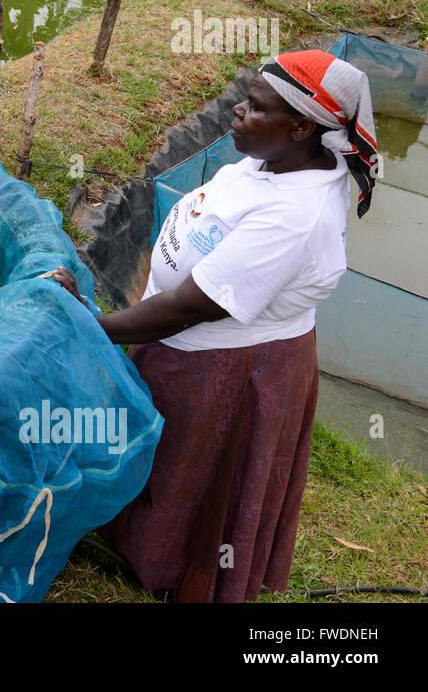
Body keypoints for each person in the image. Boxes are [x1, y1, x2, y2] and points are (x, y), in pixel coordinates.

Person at [53, 48, 378, 602]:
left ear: (302, 125)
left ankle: (176, 569)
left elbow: (192, 307)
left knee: (194, 471)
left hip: (228, 365)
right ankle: (132, 535)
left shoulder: (295, 218)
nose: (235, 114)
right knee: (167, 454)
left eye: (252, 109)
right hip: (191, 344)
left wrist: (89, 323)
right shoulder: (279, 157)